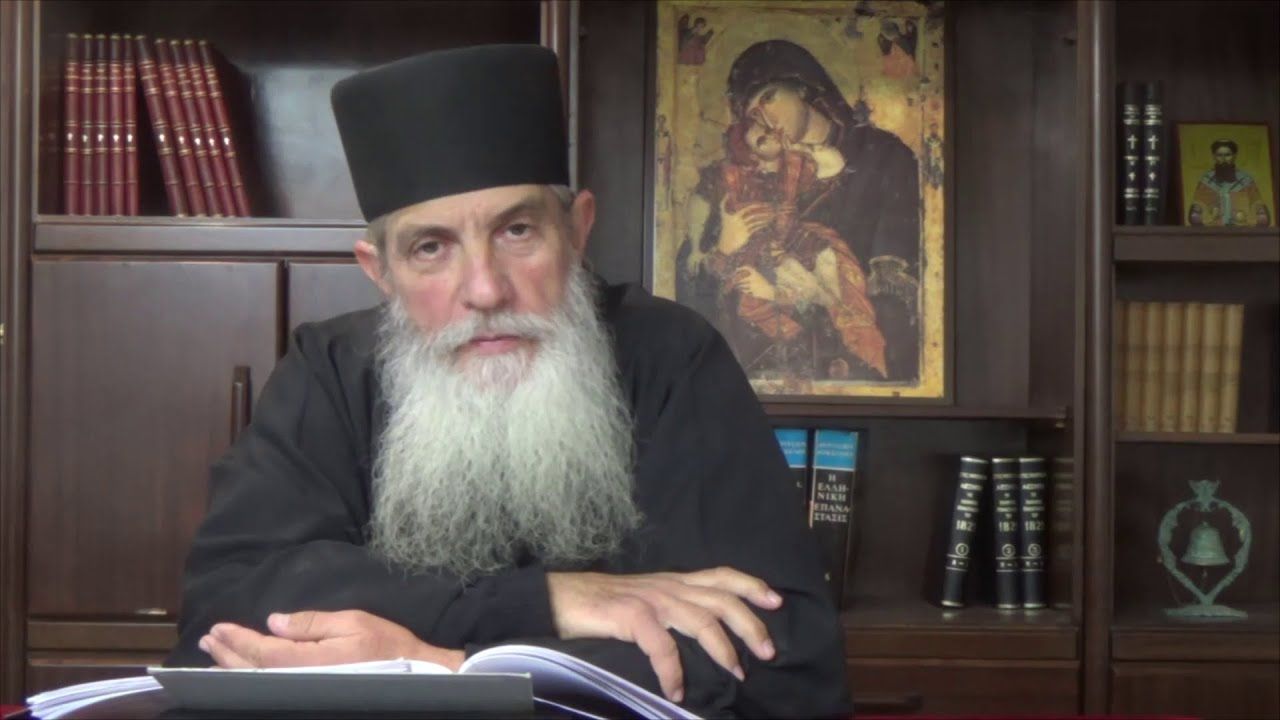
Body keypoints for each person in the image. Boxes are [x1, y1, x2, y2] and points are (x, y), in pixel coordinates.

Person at [166, 44, 852, 719]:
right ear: (380, 271)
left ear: (577, 231)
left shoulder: (672, 357)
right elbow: (229, 606)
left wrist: (443, 667)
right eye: (430, 247)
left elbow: (778, 659)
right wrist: (548, 600)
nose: (486, 290)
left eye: (517, 231)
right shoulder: (331, 369)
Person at [680, 39, 921, 384]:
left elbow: (904, 295)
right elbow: (688, 284)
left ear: (804, 87)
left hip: (853, 360)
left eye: (768, 98)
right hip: (764, 361)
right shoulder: (749, 174)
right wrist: (724, 247)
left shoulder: (883, 156)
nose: (764, 118)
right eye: (752, 114)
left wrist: (815, 301)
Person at [700, 118, 887, 378]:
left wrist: (798, 145)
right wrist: (727, 244)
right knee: (753, 299)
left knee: (833, 276)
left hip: (796, 249)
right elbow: (707, 267)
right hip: (747, 254)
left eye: (770, 126)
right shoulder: (729, 178)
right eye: (759, 134)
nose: (769, 133)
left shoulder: (797, 169)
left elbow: (834, 164)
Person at [1188, 139, 1270, 227]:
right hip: (1214, 228)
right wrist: (1204, 213)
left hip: (1241, 227)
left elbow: (1256, 203)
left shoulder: (1246, 180)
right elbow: (1199, 204)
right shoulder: (1206, 180)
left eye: (1227, 155)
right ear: (1214, 156)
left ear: (1234, 156)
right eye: (1219, 155)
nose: (1223, 159)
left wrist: (1258, 213)